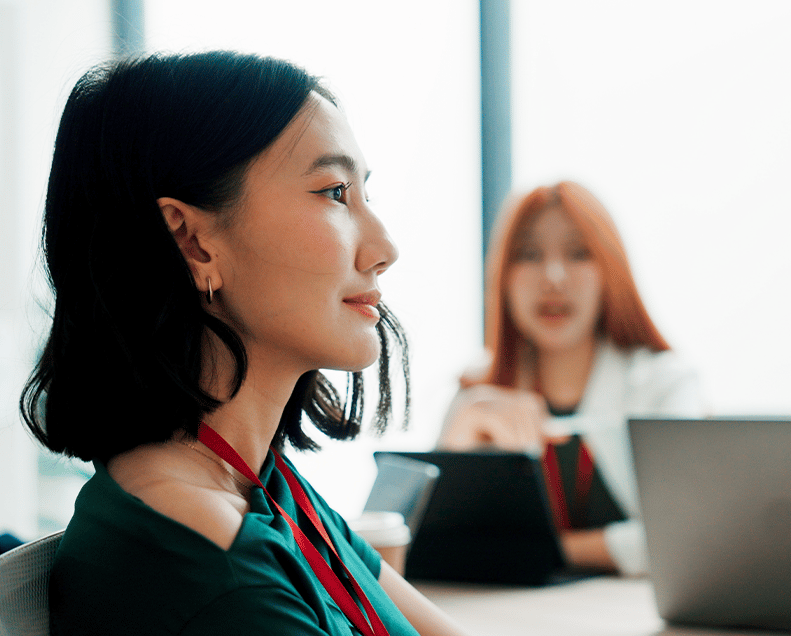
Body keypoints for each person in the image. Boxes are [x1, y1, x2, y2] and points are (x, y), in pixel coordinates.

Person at [20, 51, 468, 635]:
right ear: (192, 240)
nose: (384, 246)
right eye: (334, 192)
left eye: (364, 194)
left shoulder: (263, 489)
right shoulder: (214, 563)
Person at [437, 181, 705, 576]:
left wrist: (551, 550)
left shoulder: (664, 384)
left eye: (579, 253)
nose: (554, 277)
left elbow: (688, 539)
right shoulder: (478, 396)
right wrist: (452, 449)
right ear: (503, 277)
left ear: (610, 270)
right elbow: (420, 551)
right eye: (529, 254)